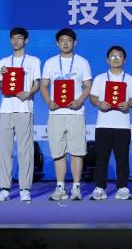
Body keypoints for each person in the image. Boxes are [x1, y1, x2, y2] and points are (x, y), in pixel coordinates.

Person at [40, 27, 93, 201]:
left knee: (77, 151)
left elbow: (88, 85)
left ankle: (76, 188)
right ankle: (60, 187)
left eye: (69, 40)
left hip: (76, 113)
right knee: (58, 152)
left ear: (74, 43)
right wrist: (49, 102)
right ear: (57, 43)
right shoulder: (50, 63)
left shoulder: (82, 62)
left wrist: (80, 100)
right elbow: (43, 86)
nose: (65, 43)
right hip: (56, 113)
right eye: (62, 40)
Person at [0, 27, 41, 202]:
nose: (16, 41)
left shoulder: (34, 61)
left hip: (24, 108)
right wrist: (3, 77)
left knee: (25, 150)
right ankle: (4, 188)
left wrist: (29, 93)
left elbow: (37, 83)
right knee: (3, 150)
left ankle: (25, 188)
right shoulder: (3, 62)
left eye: (19, 38)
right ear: (10, 40)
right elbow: (2, 87)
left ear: (26, 40)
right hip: (6, 109)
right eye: (13, 38)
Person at [89, 46, 132, 200]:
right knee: (101, 158)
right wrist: (99, 103)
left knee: (122, 159)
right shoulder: (100, 78)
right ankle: (100, 187)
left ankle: (122, 187)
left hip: (123, 125)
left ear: (124, 59)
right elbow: (93, 98)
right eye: (113, 55)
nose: (116, 58)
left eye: (119, 55)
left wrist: (129, 104)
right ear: (107, 59)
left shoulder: (131, 79)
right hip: (103, 125)